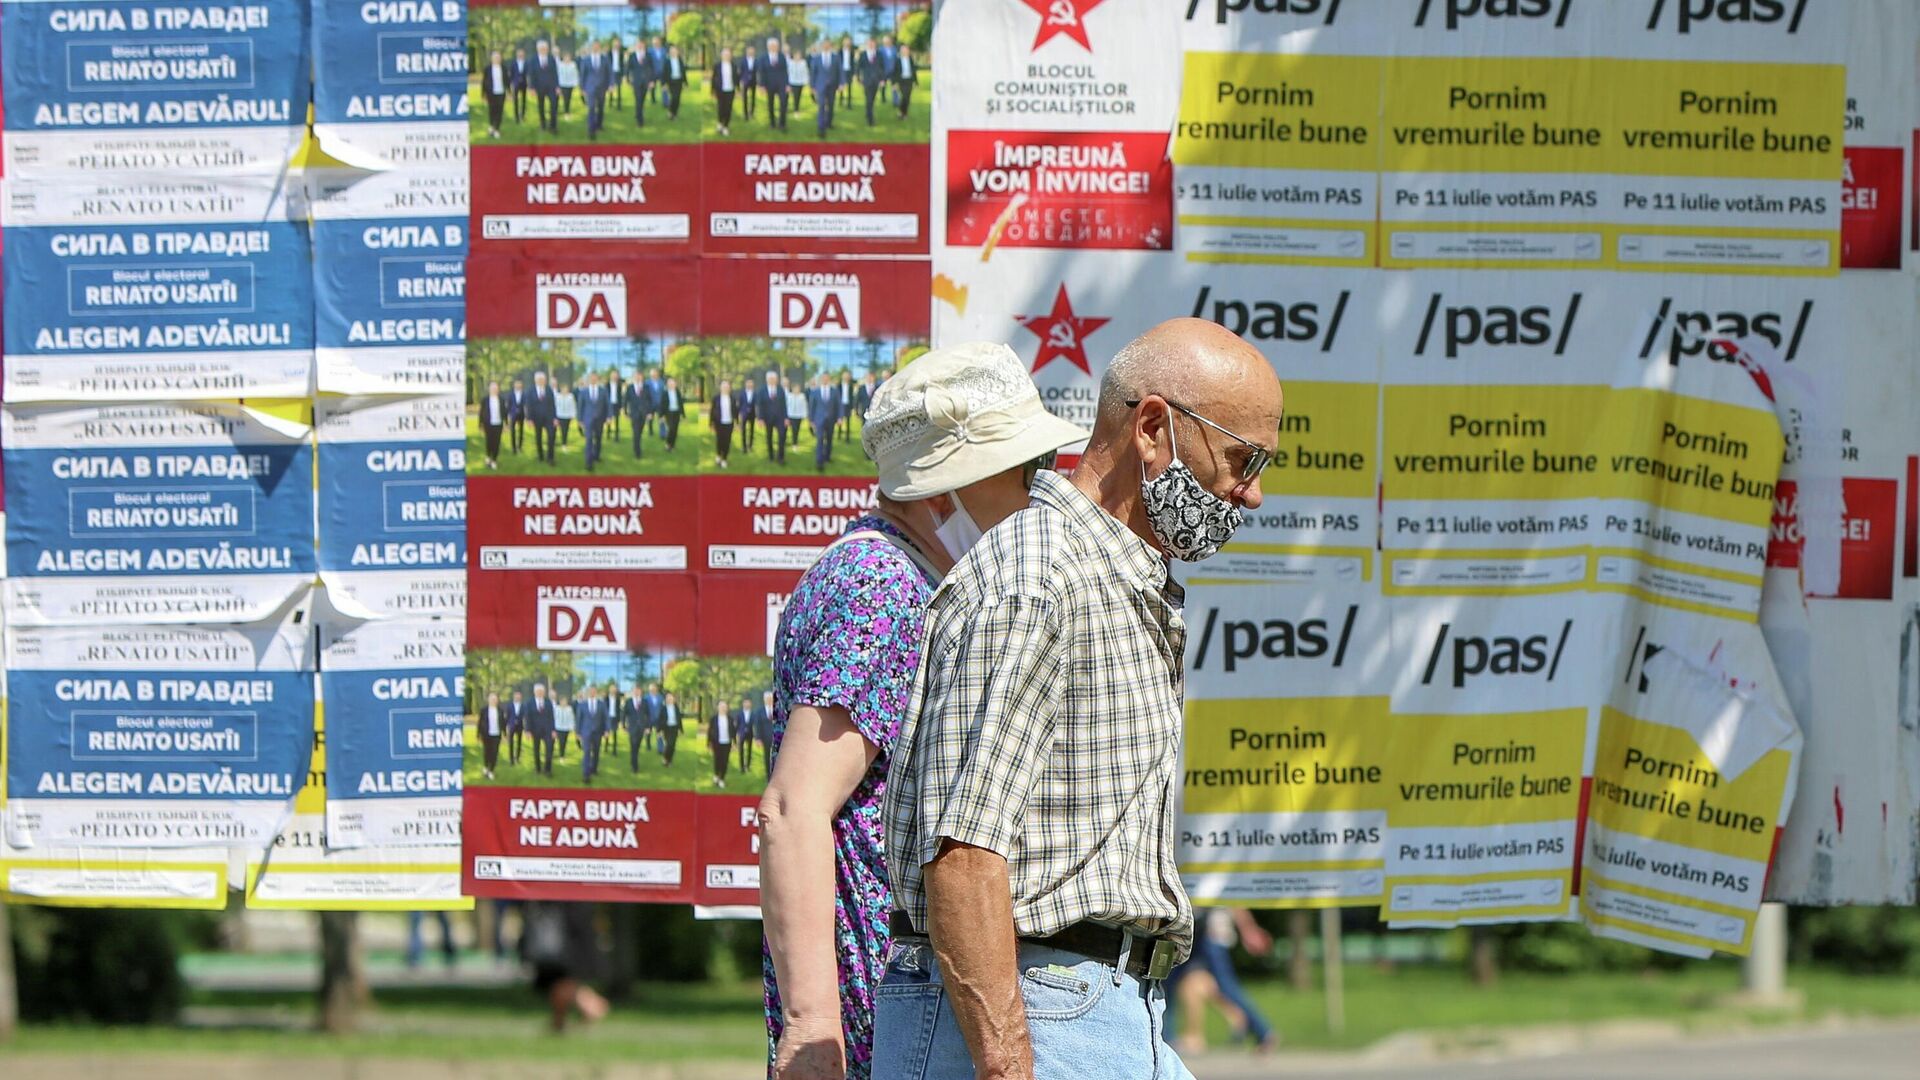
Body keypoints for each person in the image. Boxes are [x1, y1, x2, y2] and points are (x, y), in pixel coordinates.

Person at [875, 319, 1284, 1079]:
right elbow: (963, 857)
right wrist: (1008, 1066)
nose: (1252, 494)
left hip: (1101, 1004)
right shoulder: (1038, 575)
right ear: (1154, 429)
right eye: (1242, 459)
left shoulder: (1108, 576)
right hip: (1037, 1009)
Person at [759, 342, 1087, 1080]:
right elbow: (793, 808)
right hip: (878, 1010)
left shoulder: (898, 574)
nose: (1044, 486)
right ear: (946, 490)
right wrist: (814, 1028)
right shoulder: (882, 586)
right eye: (1023, 469)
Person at [1162, 909, 1278, 1056]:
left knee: (1226, 987)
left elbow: (1234, 899)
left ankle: (1263, 1031)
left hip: (1211, 935)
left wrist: (1249, 929)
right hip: (1196, 934)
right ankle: (1165, 1039)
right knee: (1170, 981)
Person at [522, 902, 609, 1033]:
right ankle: (559, 1023)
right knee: (557, 982)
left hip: (567, 935)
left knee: (563, 982)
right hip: (563, 933)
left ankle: (592, 1006)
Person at [580, 40, 612, 139]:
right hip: (590, 87)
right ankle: (591, 130)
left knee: (601, 107)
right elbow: (582, 75)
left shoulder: (605, 59)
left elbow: (609, 73)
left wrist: (611, 84)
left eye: (597, 46)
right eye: (594, 46)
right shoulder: (586, 60)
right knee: (591, 108)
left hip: (602, 87)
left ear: (599, 47)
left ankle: (599, 125)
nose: (595, 48)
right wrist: (582, 88)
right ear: (591, 48)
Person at [579, 371, 611, 471]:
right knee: (588, 440)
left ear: (597, 379)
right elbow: (580, 406)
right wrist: (580, 419)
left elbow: (608, 404)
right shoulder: (583, 391)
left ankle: (597, 456)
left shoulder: (603, 391)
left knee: (598, 438)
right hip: (587, 419)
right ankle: (589, 462)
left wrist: (609, 416)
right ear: (589, 379)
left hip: (600, 419)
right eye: (591, 378)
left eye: (595, 378)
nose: (593, 379)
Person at [809, 373, 840, 473]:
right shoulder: (815, 392)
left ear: (829, 379)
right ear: (821, 379)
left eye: (827, 378)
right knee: (820, 439)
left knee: (830, 439)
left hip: (831, 419)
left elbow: (838, 405)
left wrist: (839, 417)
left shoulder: (834, 391)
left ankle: (827, 456)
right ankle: (819, 461)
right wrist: (811, 420)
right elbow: (811, 407)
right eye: (823, 378)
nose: (825, 380)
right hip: (819, 420)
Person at [809, 40, 840, 138]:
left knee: (831, 105)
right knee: (821, 105)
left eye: (828, 45)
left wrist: (842, 83)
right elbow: (813, 73)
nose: (826, 47)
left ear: (830, 46)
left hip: (832, 85)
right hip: (820, 85)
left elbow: (840, 71)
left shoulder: (836, 57)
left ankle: (829, 123)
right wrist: (812, 86)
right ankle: (821, 127)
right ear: (821, 46)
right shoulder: (816, 58)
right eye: (824, 45)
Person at [577, 685, 607, 785]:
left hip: (598, 732)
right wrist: (578, 732)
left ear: (596, 692)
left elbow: (605, 718)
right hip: (586, 732)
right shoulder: (582, 704)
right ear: (588, 693)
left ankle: (594, 769)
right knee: (586, 752)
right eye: (590, 691)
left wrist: (607, 730)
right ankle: (586, 774)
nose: (592, 693)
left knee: (596, 752)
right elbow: (579, 719)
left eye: (594, 691)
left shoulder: (601, 704)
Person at [757, 370, 788, 464]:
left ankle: (780, 457)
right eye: (770, 379)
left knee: (782, 436)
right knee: (769, 437)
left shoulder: (780, 389)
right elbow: (759, 405)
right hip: (767, 418)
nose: (772, 380)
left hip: (780, 417)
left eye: (774, 379)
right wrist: (760, 418)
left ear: (777, 380)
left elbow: (784, 405)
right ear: (767, 380)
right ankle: (770, 456)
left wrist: (786, 418)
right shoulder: (762, 390)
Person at [530, 39, 560, 134]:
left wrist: (558, 86)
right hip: (539, 87)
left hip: (551, 87)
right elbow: (532, 75)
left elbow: (555, 73)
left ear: (547, 49)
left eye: (545, 48)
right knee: (541, 106)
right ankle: (543, 125)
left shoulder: (552, 59)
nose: (544, 50)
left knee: (554, 106)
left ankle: (553, 126)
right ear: (538, 49)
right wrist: (532, 88)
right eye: (542, 48)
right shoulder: (533, 60)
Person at [528, 682, 556, 777]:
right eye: (538, 691)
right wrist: (528, 731)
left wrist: (553, 730)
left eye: (541, 691)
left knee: (549, 750)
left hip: (547, 731)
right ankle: (538, 768)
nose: (540, 693)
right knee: (536, 750)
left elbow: (552, 717)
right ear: (534, 692)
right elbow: (528, 718)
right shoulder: (530, 703)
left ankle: (547, 770)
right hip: (535, 730)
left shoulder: (548, 702)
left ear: (544, 692)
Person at [528, 371, 557, 465]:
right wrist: (529, 419)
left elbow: (553, 405)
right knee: (538, 437)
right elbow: (529, 406)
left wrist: (555, 418)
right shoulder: (531, 391)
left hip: (549, 418)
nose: (541, 381)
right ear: (535, 380)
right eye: (539, 379)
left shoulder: (549, 390)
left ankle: (550, 458)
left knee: (551, 437)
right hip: (537, 418)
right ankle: (540, 455)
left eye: (543, 379)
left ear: (545, 380)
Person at [760, 38, 788, 132]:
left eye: (775, 46)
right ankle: (772, 123)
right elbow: (762, 72)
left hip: (781, 84)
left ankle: (782, 124)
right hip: (769, 84)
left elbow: (785, 71)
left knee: (783, 103)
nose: (773, 47)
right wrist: (762, 85)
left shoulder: (782, 57)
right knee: (770, 104)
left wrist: (787, 84)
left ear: (778, 47)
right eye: (771, 46)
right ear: (768, 47)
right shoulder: (763, 58)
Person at [712, 45, 740, 136]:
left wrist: (738, 90)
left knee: (728, 109)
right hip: (720, 90)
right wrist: (712, 91)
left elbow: (736, 78)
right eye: (725, 54)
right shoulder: (717, 66)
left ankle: (726, 126)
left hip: (730, 90)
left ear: (730, 56)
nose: (727, 56)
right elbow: (713, 79)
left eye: (728, 55)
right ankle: (720, 123)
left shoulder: (734, 66)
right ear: (722, 56)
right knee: (721, 108)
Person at [856, 38, 884, 127]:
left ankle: (868, 112)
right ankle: (870, 119)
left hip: (876, 80)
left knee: (872, 99)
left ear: (875, 44)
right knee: (869, 99)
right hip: (866, 80)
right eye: (869, 43)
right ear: (867, 44)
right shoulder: (863, 55)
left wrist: (882, 79)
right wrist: (858, 78)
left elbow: (882, 67)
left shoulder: (879, 54)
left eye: (873, 43)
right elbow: (858, 67)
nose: (871, 45)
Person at [625, 39, 653, 127]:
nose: (640, 46)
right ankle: (640, 120)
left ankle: (638, 114)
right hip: (636, 82)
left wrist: (652, 81)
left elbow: (652, 69)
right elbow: (628, 68)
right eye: (638, 45)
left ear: (644, 46)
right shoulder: (632, 56)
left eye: (642, 45)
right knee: (638, 100)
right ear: (636, 46)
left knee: (642, 100)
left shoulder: (648, 55)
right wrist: (627, 79)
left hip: (646, 81)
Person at [623, 682, 650, 773]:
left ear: (641, 692)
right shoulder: (628, 702)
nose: (636, 692)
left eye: (638, 690)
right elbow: (623, 714)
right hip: (632, 727)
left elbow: (648, 714)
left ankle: (633, 760)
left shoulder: (645, 702)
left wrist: (647, 727)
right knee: (633, 745)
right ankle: (635, 766)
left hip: (641, 728)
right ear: (632, 691)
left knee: (637, 746)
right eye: (635, 690)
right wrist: (623, 725)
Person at [479, 381, 506, 469]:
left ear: (498, 390)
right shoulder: (485, 400)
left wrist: (506, 424)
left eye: (496, 388)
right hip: (488, 424)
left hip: (498, 424)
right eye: (492, 388)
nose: (494, 390)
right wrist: (480, 424)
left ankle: (494, 459)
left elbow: (504, 412)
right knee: (489, 442)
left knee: (497, 442)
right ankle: (488, 456)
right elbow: (481, 413)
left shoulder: (501, 400)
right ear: (489, 389)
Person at [478, 691, 505, 779]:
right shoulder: (484, 710)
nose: (493, 700)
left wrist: (505, 734)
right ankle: (486, 767)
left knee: (495, 753)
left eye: (495, 699)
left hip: (496, 735)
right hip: (486, 734)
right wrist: (478, 735)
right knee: (487, 752)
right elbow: (480, 723)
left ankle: (491, 770)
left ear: (497, 700)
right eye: (492, 699)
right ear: (488, 700)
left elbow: (503, 723)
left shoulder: (500, 710)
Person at [482, 50, 510, 137]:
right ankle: (491, 126)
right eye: (495, 58)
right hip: (491, 93)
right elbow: (484, 82)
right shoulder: (487, 69)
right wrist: (483, 94)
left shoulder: (504, 68)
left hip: (501, 93)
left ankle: (497, 128)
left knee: (499, 111)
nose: (497, 59)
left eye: (498, 57)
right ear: (492, 59)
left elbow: (507, 81)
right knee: (492, 110)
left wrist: (509, 92)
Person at [712, 377, 737, 469]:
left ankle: (724, 459)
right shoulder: (716, 398)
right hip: (719, 423)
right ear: (720, 388)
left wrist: (737, 423)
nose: (725, 388)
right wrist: (711, 423)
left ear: (729, 388)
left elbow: (735, 411)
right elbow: (712, 411)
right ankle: (718, 455)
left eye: (727, 386)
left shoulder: (732, 398)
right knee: (719, 441)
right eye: (723, 386)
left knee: (727, 442)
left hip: (729, 423)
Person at [710, 700, 736, 788]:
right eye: (721, 706)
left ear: (727, 708)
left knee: (724, 761)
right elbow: (710, 731)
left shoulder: (730, 719)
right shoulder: (713, 719)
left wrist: (734, 743)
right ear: (718, 708)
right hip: (716, 743)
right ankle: (716, 775)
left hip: (727, 743)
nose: (723, 708)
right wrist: (709, 743)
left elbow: (733, 732)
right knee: (717, 760)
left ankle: (722, 779)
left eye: (725, 707)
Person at [891, 39, 916, 119]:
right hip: (901, 81)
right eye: (903, 50)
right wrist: (894, 83)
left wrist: (915, 82)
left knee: (908, 98)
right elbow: (894, 72)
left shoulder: (910, 59)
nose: (905, 51)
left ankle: (904, 113)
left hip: (909, 80)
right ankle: (901, 112)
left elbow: (913, 71)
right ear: (901, 51)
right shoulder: (897, 60)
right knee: (904, 97)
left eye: (906, 49)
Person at [661, 44, 687, 120]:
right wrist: (664, 84)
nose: (673, 52)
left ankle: (674, 113)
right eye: (672, 51)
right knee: (674, 98)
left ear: (677, 52)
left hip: (679, 81)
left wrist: (685, 83)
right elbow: (664, 73)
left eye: (675, 51)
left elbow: (683, 72)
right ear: (669, 52)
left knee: (678, 99)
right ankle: (670, 111)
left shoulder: (680, 61)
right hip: (671, 82)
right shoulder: (667, 62)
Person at [659, 377, 685, 451]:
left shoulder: (677, 392)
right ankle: (667, 444)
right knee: (671, 429)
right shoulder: (665, 393)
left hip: (676, 412)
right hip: (668, 413)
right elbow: (662, 405)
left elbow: (680, 404)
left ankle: (672, 445)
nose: (671, 384)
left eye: (673, 383)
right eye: (670, 383)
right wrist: (661, 416)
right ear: (667, 384)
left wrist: (683, 415)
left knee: (675, 430)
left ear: (675, 384)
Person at [755, 690, 775, 777]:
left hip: (776, 737)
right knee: (767, 757)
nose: (769, 700)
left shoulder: (777, 708)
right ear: (764, 700)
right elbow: (757, 726)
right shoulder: (760, 712)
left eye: (770, 698)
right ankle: (768, 775)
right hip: (765, 738)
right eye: (767, 699)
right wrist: (758, 738)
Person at [736, 695, 758, 774]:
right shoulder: (739, 714)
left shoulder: (753, 714)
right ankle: (742, 767)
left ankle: (747, 766)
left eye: (748, 703)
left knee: (749, 751)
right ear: (743, 704)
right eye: (745, 703)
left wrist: (756, 736)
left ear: (750, 704)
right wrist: (737, 734)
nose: (747, 704)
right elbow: (737, 725)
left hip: (750, 734)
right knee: (741, 751)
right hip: (741, 734)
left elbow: (755, 725)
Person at [659, 691, 683, 766]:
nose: (670, 699)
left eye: (671, 697)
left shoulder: (676, 708)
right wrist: (659, 730)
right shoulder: (663, 708)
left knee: (672, 746)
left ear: (673, 699)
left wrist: (680, 729)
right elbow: (660, 720)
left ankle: (669, 760)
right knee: (668, 744)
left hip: (674, 728)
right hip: (666, 728)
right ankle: (665, 758)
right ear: (666, 699)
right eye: (668, 698)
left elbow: (679, 719)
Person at [555, 377, 577, 448]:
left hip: (567, 416)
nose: (565, 390)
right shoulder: (557, 396)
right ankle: (561, 442)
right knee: (561, 429)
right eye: (563, 389)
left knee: (566, 430)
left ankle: (564, 443)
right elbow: (555, 406)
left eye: (566, 389)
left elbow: (573, 406)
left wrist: (573, 415)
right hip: (560, 415)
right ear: (561, 389)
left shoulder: (570, 396)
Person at [785, 377, 807, 448]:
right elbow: (787, 405)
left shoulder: (802, 396)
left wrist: (804, 415)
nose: (796, 389)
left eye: (798, 388)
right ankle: (792, 443)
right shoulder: (789, 396)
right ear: (793, 389)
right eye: (795, 388)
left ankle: (795, 442)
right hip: (791, 415)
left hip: (799, 415)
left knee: (796, 429)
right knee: (792, 429)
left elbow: (804, 406)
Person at [507, 378, 528, 454]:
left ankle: (520, 447)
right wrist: (509, 414)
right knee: (512, 431)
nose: (518, 385)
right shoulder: (511, 394)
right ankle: (513, 448)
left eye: (519, 384)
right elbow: (508, 405)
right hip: (513, 415)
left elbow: (525, 405)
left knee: (521, 431)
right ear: (514, 385)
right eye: (517, 384)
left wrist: (526, 416)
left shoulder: (524, 394)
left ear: (521, 385)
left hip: (521, 414)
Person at [510, 46, 530, 123]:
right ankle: (516, 116)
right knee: (515, 100)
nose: (521, 55)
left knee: (524, 100)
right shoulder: (513, 63)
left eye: (522, 54)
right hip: (516, 84)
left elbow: (528, 73)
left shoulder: (526, 63)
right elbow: (511, 74)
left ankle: (523, 115)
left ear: (524, 55)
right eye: (519, 54)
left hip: (524, 84)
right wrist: (512, 83)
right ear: (517, 55)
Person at [507, 688, 527, 766]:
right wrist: (507, 725)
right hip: (511, 726)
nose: (518, 697)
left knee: (519, 743)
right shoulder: (510, 705)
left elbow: (525, 716)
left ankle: (517, 758)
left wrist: (525, 727)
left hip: (520, 726)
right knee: (511, 743)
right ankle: (511, 759)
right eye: (516, 696)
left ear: (521, 697)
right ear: (514, 696)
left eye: (519, 696)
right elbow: (507, 716)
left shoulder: (523, 705)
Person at [556, 48, 579, 115]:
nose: (567, 58)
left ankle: (567, 111)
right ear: (563, 57)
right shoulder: (560, 65)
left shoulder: (573, 64)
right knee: (563, 97)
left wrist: (575, 83)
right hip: (562, 83)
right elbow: (558, 74)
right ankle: (561, 110)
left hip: (570, 84)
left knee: (568, 98)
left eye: (568, 57)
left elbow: (575, 74)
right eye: (565, 57)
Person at [554, 691, 576, 759]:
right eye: (562, 701)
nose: (564, 702)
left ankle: (562, 753)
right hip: (558, 727)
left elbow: (571, 718)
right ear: (560, 701)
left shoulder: (569, 709)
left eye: (565, 701)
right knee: (561, 741)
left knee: (564, 741)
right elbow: (554, 718)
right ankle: (561, 755)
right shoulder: (556, 708)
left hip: (566, 728)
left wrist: (572, 727)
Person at [742, 43, 761, 120]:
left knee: (753, 97)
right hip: (745, 81)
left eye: (752, 51)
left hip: (753, 81)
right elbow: (741, 71)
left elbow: (758, 70)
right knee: (745, 98)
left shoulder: (756, 60)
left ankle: (752, 113)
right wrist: (742, 80)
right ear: (747, 52)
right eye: (749, 51)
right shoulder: (743, 60)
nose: (750, 52)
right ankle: (745, 114)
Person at [838, 36, 858, 108]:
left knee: (849, 87)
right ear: (843, 42)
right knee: (841, 86)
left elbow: (854, 63)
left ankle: (849, 103)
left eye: (848, 41)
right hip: (842, 71)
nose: (847, 43)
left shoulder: (852, 51)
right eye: (845, 41)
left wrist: (854, 73)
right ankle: (841, 100)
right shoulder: (840, 51)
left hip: (849, 71)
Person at [608, 35, 627, 109]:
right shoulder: (609, 53)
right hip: (611, 73)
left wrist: (623, 74)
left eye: (618, 43)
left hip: (618, 73)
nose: (616, 45)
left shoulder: (621, 53)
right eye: (615, 43)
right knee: (611, 88)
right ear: (613, 44)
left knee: (619, 89)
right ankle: (610, 102)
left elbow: (623, 64)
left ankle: (619, 105)